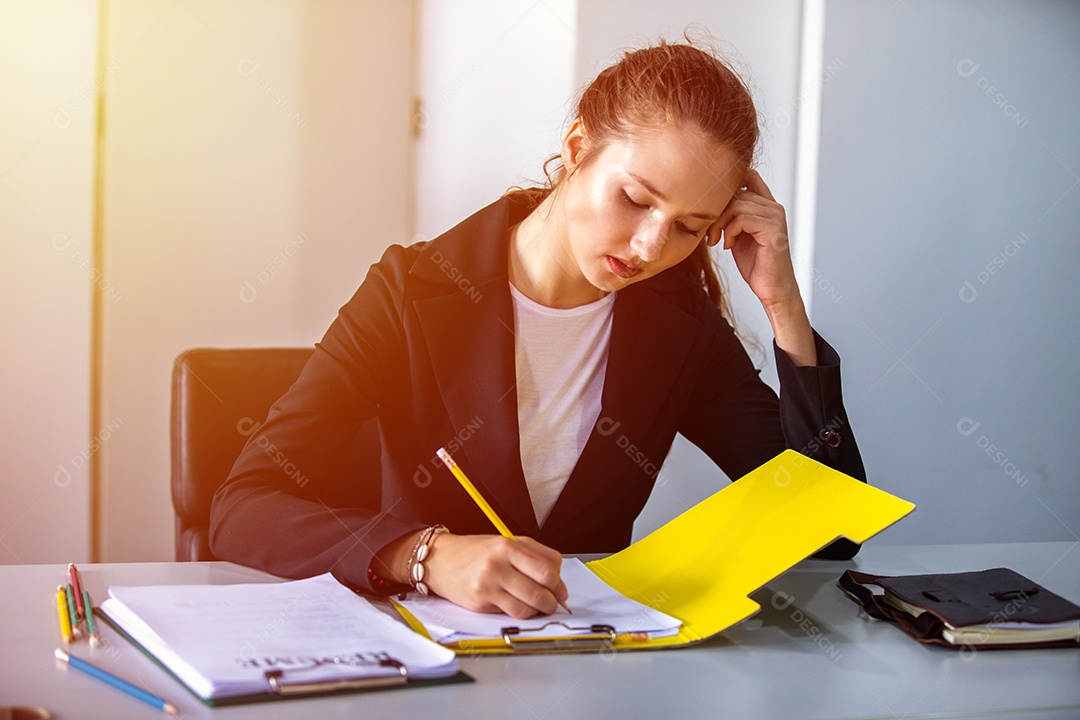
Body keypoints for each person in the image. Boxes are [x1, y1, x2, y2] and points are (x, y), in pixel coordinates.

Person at [209, 40, 865, 621]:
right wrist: (427, 557)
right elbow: (244, 511)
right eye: (636, 199)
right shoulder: (411, 293)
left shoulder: (678, 320)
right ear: (577, 148)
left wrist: (784, 308)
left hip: (591, 667)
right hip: (427, 663)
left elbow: (826, 534)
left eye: (690, 227)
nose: (648, 245)